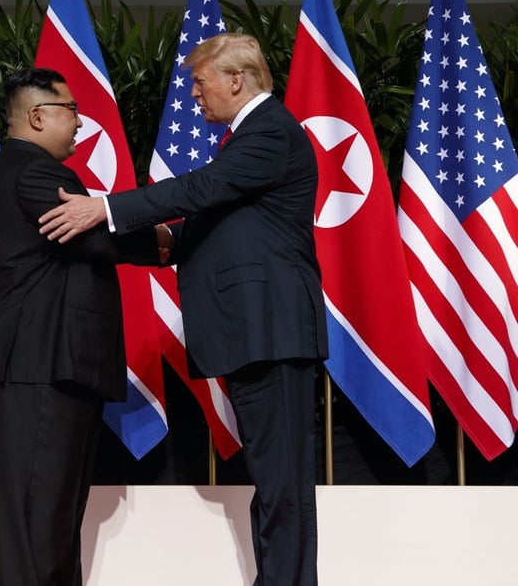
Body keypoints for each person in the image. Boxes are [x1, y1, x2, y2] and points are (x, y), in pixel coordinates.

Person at [38, 33, 327, 586]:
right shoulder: (250, 137)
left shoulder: (268, 131)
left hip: (271, 332)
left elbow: (205, 188)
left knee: (282, 485)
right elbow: (221, 217)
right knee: (272, 481)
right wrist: (159, 245)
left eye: (201, 82)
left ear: (237, 80)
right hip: (254, 332)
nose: (194, 94)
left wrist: (106, 207)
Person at [0, 67, 167, 586]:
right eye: (71, 110)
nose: (81, 122)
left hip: (48, 364)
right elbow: (93, 236)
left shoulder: (21, 167)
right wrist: (167, 242)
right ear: (37, 115)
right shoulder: (32, 170)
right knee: (42, 525)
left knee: (50, 525)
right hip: (40, 363)